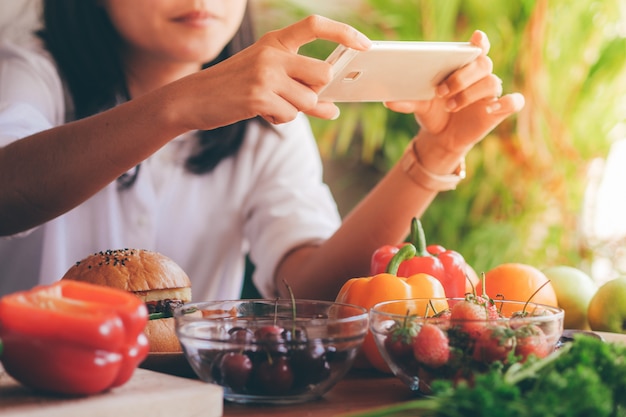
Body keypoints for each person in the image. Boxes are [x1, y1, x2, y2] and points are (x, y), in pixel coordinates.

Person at [0, 0, 524, 301]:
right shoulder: (29, 74)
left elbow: (312, 288)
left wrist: (434, 154)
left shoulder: (266, 115)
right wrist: (182, 104)